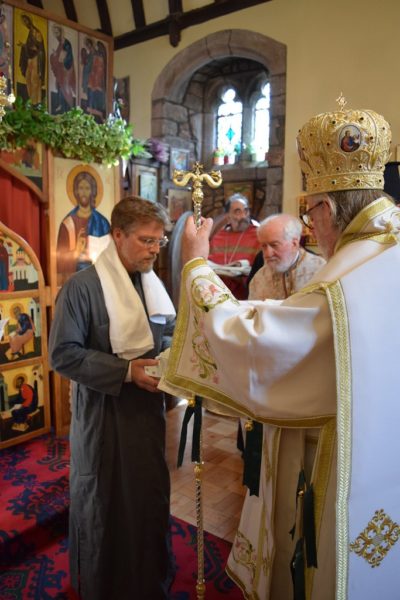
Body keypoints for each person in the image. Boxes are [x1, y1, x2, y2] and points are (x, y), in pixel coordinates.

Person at [161, 103, 400, 599]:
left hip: (344, 464)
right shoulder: (387, 249)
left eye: (310, 213)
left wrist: (197, 267)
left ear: (327, 209)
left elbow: (260, 345)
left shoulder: (345, 281)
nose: (312, 227)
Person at [49, 197, 176, 600]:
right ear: (118, 235)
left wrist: (175, 356)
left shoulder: (150, 284)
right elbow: (62, 355)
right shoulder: (81, 288)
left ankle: (146, 582)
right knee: (103, 504)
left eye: (159, 241)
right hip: (103, 418)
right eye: (146, 241)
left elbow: (163, 336)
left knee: (147, 498)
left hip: (146, 414)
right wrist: (126, 371)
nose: (154, 250)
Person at [248, 212, 325, 300]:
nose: (268, 254)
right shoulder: (259, 279)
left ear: (294, 244)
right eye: (264, 246)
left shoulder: (321, 271)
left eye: (274, 245)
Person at [56, 170, 110, 282]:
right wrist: (76, 251)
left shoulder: (102, 222)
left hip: (99, 277)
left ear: (93, 191)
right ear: (76, 191)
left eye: (87, 188)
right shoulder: (67, 224)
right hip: (75, 280)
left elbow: (110, 255)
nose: (84, 192)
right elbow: (59, 263)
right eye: (81, 188)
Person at [208, 193, 259, 299]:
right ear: (228, 216)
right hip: (219, 294)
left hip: (246, 295)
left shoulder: (258, 235)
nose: (243, 216)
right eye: (237, 212)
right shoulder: (218, 237)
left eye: (246, 211)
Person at [18, 14, 45, 104]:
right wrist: (24, 46)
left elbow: (39, 48)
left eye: (26, 20)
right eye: (23, 21)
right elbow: (30, 46)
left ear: (30, 20)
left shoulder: (36, 32)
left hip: (36, 58)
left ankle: (36, 102)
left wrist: (27, 47)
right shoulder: (30, 32)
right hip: (30, 58)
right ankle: (31, 101)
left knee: (34, 80)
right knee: (28, 77)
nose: (25, 23)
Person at [50, 25, 76, 113]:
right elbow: (59, 57)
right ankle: (61, 105)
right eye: (54, 33)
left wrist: (55, 56)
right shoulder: (60, 44)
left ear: (61, 32)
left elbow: (63, 58)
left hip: (66, 70)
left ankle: (69, 107)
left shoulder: (66, 43)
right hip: (61, 70)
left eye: (57, 32)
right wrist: (54, 56)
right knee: (59, 86)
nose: (56, 35)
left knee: (64, 87)